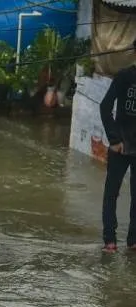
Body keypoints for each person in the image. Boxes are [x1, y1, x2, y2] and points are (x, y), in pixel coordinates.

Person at [99, 39, 136, 253]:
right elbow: (105, 107)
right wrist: (114, 140)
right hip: (120, 146)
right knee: (111, 194)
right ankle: (110, 240)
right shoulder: (124, 77)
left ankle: (133, 240)